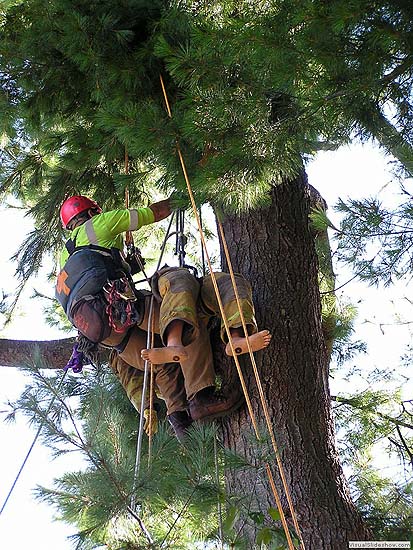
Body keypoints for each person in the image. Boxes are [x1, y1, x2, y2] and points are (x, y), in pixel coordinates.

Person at [56, 195, 271, 439]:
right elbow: (152, 213)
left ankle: (179, 419)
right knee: (189, 315)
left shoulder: (65, 259)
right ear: (93, 212)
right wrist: (183, 196)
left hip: (110, 336)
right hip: (125, 310)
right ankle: (200, 396)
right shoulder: (100, 224)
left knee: (164, 363)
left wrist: (127, 264)